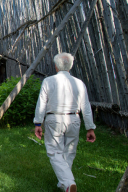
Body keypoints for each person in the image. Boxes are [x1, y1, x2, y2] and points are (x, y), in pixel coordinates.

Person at [34, 53, 96, 192]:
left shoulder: (49, 81)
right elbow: (86, 107)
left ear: (56, 66)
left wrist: (38, 123)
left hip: (53, 119)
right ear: (70, 66)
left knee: (55, 152)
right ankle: (64, 184)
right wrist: (90, 128)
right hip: (73, 118)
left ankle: (68, 183)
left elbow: (41, 103)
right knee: (69, 151)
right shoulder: (79, 83)